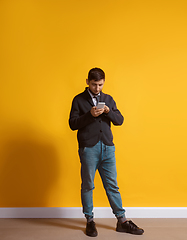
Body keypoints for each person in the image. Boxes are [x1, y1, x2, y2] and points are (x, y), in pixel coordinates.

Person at [69, 67, 144, 237]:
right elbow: (72, 124)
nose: (97, 88)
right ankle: (90, 220)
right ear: (87, 82)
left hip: (108, 147)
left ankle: (122, 221)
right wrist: (90, 115)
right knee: (88, 185)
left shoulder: (108, 99)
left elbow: (120, 120)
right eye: (94, 84)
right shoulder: (78, 100)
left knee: (112, 186)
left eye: (100, 85)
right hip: (89, 148)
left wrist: (108, 111)